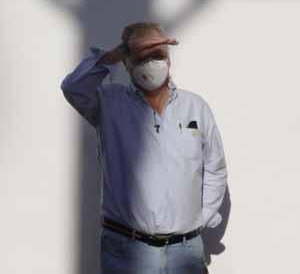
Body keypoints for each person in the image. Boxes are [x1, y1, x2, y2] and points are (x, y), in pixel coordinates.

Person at [61, 22, 227, 273]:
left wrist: (197, 222)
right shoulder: (108, 103)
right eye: (142, 56)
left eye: (158, 55)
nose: (152, 62)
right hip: (127, 251)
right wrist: (112, 55)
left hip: (186, 252)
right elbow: (73, 88)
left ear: (169, 60)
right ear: (127, 63)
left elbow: (216, 169)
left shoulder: (196, 107)